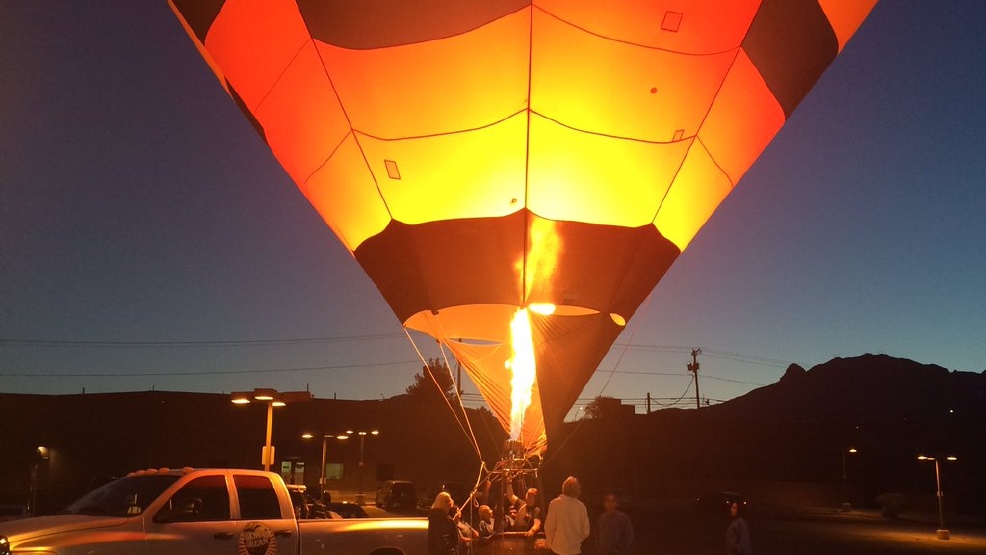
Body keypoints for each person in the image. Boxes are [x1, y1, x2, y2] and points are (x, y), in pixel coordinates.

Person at [544, 476, 590, 555]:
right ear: (577, 490)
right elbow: (586, 531)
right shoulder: (581, 506)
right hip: (575, 550)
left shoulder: (555, 504)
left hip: (557, 549)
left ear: (564, 488)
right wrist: (576, 540)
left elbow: (549, 527)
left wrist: (550, 544)